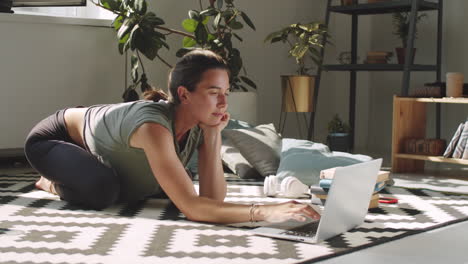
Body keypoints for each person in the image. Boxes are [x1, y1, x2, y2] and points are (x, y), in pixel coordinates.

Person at [24, 49, 320, 224]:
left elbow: (212, 198)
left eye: (225, 93)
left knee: (157, 187)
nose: (223, 104)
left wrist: (213, 135)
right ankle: (51, 182)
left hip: (103, 141)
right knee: (105, 191)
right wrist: (265, 212)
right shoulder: (154, 126)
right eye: (214, 92)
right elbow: (192, 209)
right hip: (57, 138)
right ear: (184, 94)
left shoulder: (197, 124)